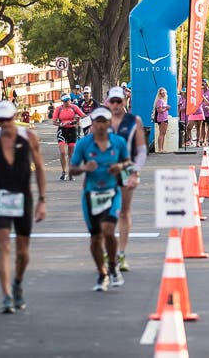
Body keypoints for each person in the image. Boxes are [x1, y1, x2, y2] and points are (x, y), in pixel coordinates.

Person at [0, 101, 47, 313]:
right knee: (4, 245)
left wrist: (42, 201)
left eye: (8, 119)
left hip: (23, 197)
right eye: (1, 120)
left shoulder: (29, 137)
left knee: (22, 251)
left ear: (14, 117)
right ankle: (6, 294)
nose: (5, 123)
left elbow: (40, 169)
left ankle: (17, 282)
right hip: (1, 197)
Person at [71, 106, 134, 291]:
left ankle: (113, 266)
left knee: (108, 230)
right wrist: (84, 168)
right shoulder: (84, 144)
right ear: (93, 123)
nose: (99, 125)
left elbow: (128, 161)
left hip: (111, 192)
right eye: (96, 121)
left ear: (108, 123)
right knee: (96, 238)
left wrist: (119, 167)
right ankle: (102, 273)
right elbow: (72, 169)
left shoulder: (118, 142)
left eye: (103, 121)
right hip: (90, 195)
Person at [106, 85, 147, 273]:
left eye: (118, 101)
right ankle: (109, 250)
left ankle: (121, 253)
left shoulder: (133, 120)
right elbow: (90, 144)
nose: (115, 105)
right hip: (104, 172)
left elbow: (141, 150)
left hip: (126, 170)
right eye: (112, 101)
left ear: (124, 101)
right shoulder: (101, 120)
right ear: (107, 102)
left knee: (124, 211)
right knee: (104, 214)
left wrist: (135, 172)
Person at [52, 94, 86, 181]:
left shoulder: (74, 107)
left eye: (68, 100)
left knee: (71, 153)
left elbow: (83, 116)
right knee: (63, 152)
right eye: (65, 101)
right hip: (62, 130)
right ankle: (63, 172)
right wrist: (61, 124)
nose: (67, 103)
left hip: (72, 130)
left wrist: (78, 121)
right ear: (62, 102)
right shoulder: (58, 109)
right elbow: (54, 122)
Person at [153, 87, 171, 153]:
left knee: (163, 133)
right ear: (160, 94)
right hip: (162, 118)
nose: (164, 94)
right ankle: (160, 149)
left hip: (164, 118)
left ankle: (162, 149)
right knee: (161, 133)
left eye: (164, 92)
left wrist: (166, 108)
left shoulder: (163, 100)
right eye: (162, 92)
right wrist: (166, 108)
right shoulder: (160, 101)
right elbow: (159, 110)